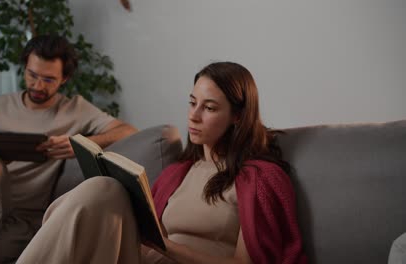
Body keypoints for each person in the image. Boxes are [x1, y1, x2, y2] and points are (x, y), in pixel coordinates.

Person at [16, 61, 307, 264]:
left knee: (104, 190)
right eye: (192, 103)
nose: (193, 116)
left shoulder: (259, 177)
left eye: (209, 108)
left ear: (238, 116)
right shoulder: (178, 172)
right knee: (105, 188)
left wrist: (167, 247)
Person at [0, 35, 137, 263]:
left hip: (24, 217)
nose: (38, 85)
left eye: (49, 79)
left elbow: (128, 130)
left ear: (64, 78)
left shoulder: (76, 109)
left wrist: (79, 142)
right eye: (32, 75)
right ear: (24, 68)